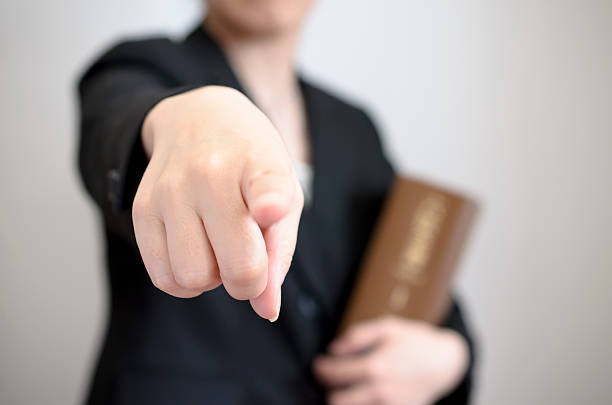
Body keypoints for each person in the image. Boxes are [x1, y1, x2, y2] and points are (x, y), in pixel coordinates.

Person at [78, 1, 475, 404]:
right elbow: (114, 126)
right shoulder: (143, 66)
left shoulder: (354, 129)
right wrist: (176, 121)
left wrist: (451, 356)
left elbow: (417, 271)